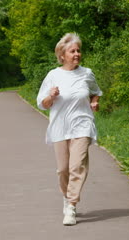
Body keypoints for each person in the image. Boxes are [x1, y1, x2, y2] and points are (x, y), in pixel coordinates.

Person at [36, 33, 102, 226]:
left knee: (77, 166)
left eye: (78, 50)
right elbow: (43, 104)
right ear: (62, 55)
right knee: (63, 169)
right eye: (72, 51)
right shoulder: (53, 75)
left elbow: (96, 92)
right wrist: (51, 96)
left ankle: (71, 206)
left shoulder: (87, 73)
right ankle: (66, 196)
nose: (77, 54)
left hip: (82, 124)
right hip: (59, 127)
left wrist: (95, 103)